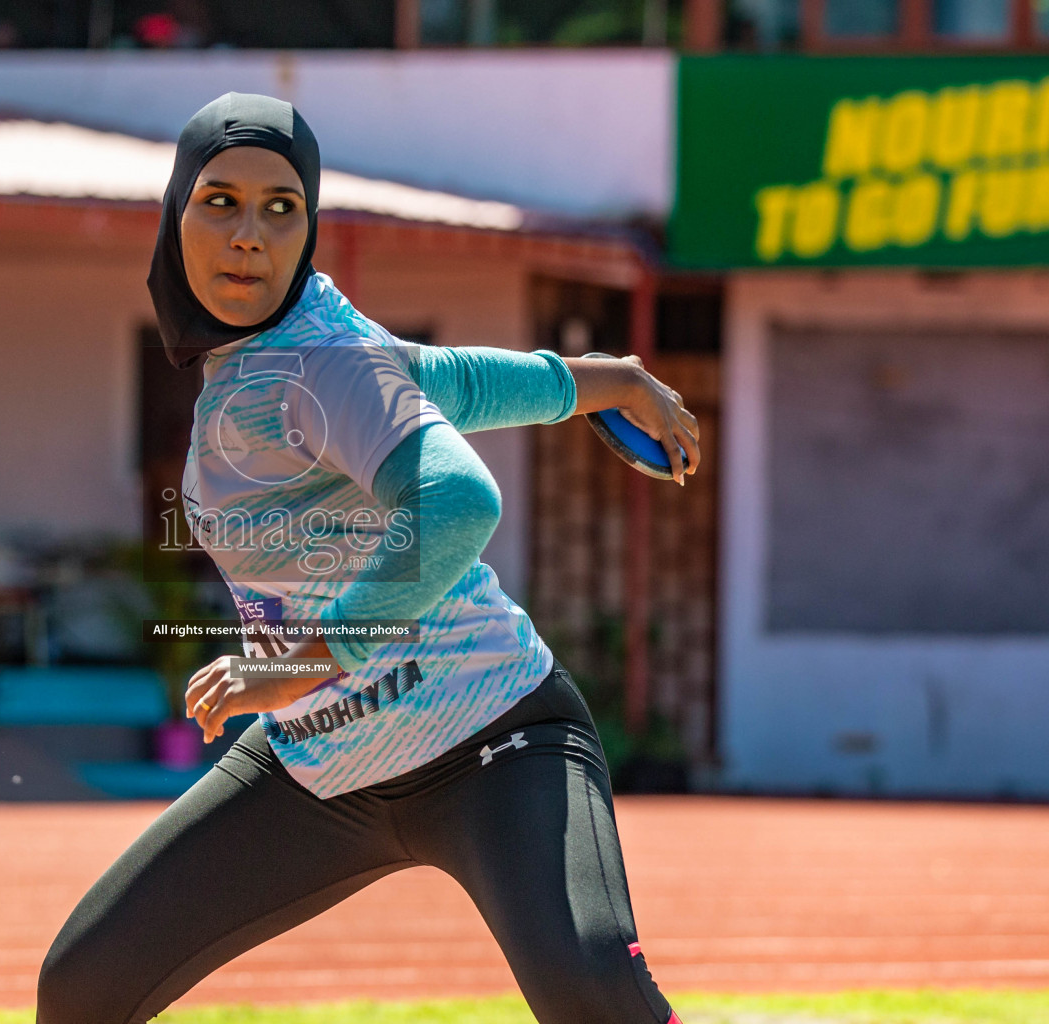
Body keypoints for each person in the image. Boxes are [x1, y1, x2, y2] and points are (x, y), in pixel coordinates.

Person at [37, 94, 701, 1024]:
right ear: (175, 209)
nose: (247, 237)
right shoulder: (290, 348)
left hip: (494, 743)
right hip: (319, 769)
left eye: (281, 209)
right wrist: (602, 382)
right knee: (83, 988)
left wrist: (308, 661)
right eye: (219, 200)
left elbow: (459, 500)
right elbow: (445, 381)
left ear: (308, 226)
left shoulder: (321, 362)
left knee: (594, 997)